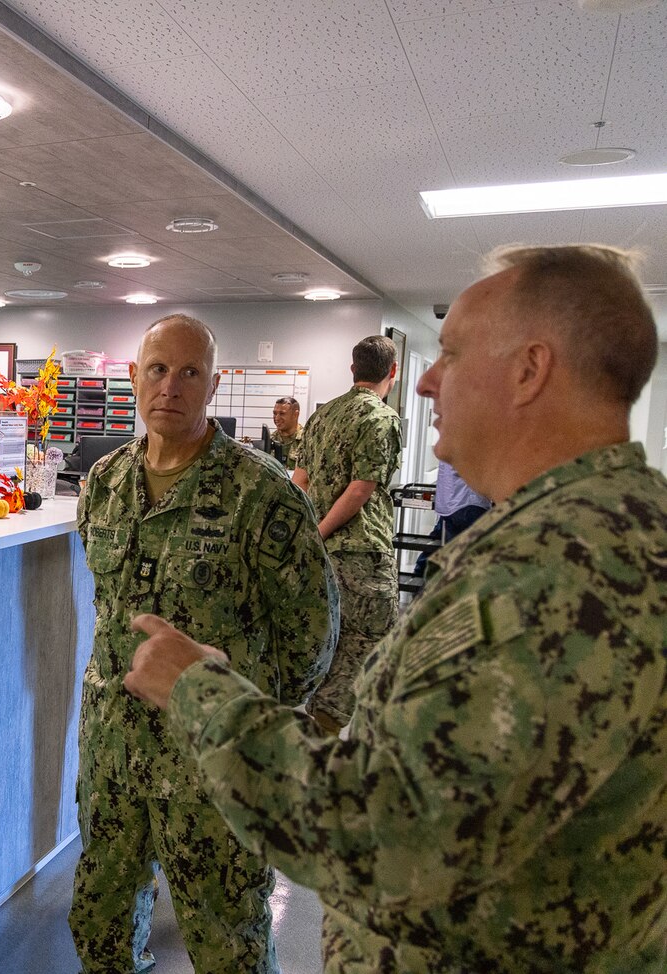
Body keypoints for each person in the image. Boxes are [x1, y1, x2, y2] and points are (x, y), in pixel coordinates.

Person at [123, 244, 667, 973]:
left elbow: (378, 833)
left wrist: (199, 691)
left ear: (530, 370)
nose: (426, 383)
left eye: (452, 352)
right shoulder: (597, 531)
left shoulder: (557, 577)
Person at [69, 314, 337, 974]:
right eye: (157, 369)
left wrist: (242, 717)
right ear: (134, 378)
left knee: (228, 940)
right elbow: (108, 612)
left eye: (190, 372)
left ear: (212, 386)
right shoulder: (103, 482)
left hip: (210, 766)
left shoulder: (261, 492)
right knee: (100, 924)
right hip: (113, 757)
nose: (171, 385)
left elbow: (312, 632)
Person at [293, 336, 402, 732]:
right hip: (360, 556)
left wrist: (307, 537)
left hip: (321, 558)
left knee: (327, 644)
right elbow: (360, 489)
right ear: (393, 372)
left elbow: (299, 481)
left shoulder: (323, 415)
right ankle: (327, 743)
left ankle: (318, 734)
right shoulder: (381, 418)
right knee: (367, 645)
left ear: (352, 369)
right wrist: (320, 534)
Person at [265, 395, 303, 468]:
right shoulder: (270, 440)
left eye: (282, 414)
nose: (277, 418)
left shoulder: (306, 440)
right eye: (275, 413)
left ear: (295, 415)